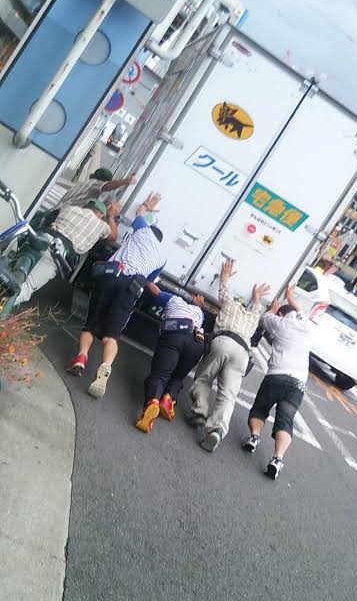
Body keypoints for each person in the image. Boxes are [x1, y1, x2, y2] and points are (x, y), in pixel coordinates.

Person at [66, 193, 166, 399]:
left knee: (90, 324)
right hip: (132, 288)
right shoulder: (162, 258)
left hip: (112, 276)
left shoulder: (142, 231)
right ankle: (105, 367)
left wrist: (148, 205)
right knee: (111, 335)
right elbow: (149, 281)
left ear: (150, 230)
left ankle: (81, 358)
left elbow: (140, 212)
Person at [188, 259, 270, 453]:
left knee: (204, 378)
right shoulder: (253, 317)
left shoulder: (230, 305)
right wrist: (257, 297)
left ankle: (200, 411)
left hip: (224, 341)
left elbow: (224, 291)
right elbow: (257, 307)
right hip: (242, 353)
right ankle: (217, 430)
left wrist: (225, 277)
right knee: (228, 395)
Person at [243, 286, 314, 480]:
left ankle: (254, 437)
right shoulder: (307, 326)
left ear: (281, 314)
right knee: (285, 420)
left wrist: (273, 310)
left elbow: (264, 318)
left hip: (276, 376)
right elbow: (300, 311)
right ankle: (277, 458)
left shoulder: (279, 323)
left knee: (260, 409)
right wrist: (290, 297)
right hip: (298, 383)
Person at [15, 198, 120, 306]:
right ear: (100, 215)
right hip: (56, 251)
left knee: (14, 273)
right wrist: (111, 216)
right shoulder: (101, 225)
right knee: (26, 287)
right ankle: (6, 302)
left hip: (40, 238)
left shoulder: (70, 208)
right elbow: (113, 236)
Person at [136, 293, 206, 433]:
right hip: (197, 342)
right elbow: (197, 306)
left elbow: (155, 291)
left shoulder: (174, 299)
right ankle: (168, 398)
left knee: (160, 374)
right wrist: (198, 304)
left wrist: (147, 282)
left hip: (175, 333)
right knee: (178, 377)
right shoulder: (200, 313)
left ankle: (153, 401)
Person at [55, 168, 137, 209]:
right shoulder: (95, 184)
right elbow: (107, 186)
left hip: (59, 208)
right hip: (63, 212)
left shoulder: (86, 183)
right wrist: (126, 181)